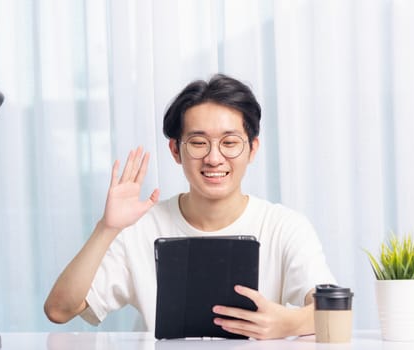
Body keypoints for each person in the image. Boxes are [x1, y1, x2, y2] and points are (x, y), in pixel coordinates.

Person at [44, 74, 336, 339]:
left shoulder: (284, 226)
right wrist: (106, 229)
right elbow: (59, 310)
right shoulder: (140, 228)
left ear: (252, 149)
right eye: (198, 143)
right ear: (175, 150)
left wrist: (289, 323)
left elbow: (332, 312)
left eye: (229, 142)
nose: (214, 158)